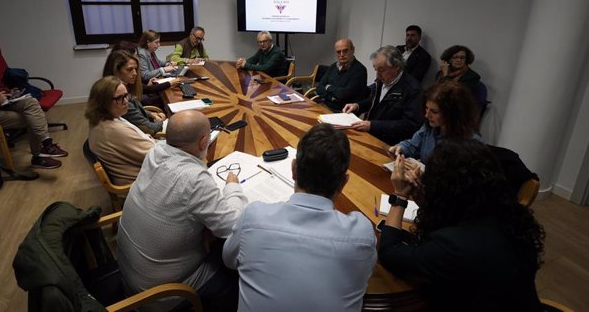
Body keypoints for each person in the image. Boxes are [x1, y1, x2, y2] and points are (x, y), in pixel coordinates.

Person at [223, 123, 377, 312]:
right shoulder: (362, 233)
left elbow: (228, 260)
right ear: (344, 182)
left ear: (294, 169)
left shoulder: (254, 216)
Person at [378, 139, 545, 311]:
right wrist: (427, 200)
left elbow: (390, 252)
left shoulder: (452, 245)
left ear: (445, 189)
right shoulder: (513, 218)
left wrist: (399, 196)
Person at [117, 110, 247, 311]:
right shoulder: (194, 179)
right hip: (161, 295)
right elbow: (233, 226)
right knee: (238, 271)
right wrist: (232, 186)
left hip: (132, 275)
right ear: (204, 142)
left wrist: (205, 227)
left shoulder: (156, 151)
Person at [342, 45, 423, 146]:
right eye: (375, 69)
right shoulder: (382, 81)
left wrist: (372, 125)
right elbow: (376, 103)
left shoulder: (413, 89)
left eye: (381, 70)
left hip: (391, 144)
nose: (377, 74)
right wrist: (357, 106)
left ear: (396, 66)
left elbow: (410, 125)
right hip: (372, 136)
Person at [85, 76, 155, 185]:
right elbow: (156, 155)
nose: (126, 101)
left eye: (126, 96)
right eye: (119, 98)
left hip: (140, 172)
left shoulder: (101, 119)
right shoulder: (112, 129)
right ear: (103, 102)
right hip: (141, 183)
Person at [388, 81, 481, 164]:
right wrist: (401, 148)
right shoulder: (430, 127)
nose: (427, 115)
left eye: (434, 112)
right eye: (426, 109)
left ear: (452, 113)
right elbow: (413, 145)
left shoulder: (470, 144)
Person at [102, 50, 171, 136]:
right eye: (129, 69)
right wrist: (167, 122)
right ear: (116, 71)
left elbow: (136, 110)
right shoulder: (120, 99)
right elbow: (151, 129)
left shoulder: (124, 89)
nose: (135, 73)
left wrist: (151, 114)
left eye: (136, 69)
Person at [314, 38, 369, 112]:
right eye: (338, 52)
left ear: (353, 50)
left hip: (343, 111)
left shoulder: (360, 70)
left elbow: (344, 95)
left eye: (345, 51)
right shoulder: (333, 66)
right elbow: (319, 88)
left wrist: (328, 87)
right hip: (325, 105)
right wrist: (332, 98)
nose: (342, 54)